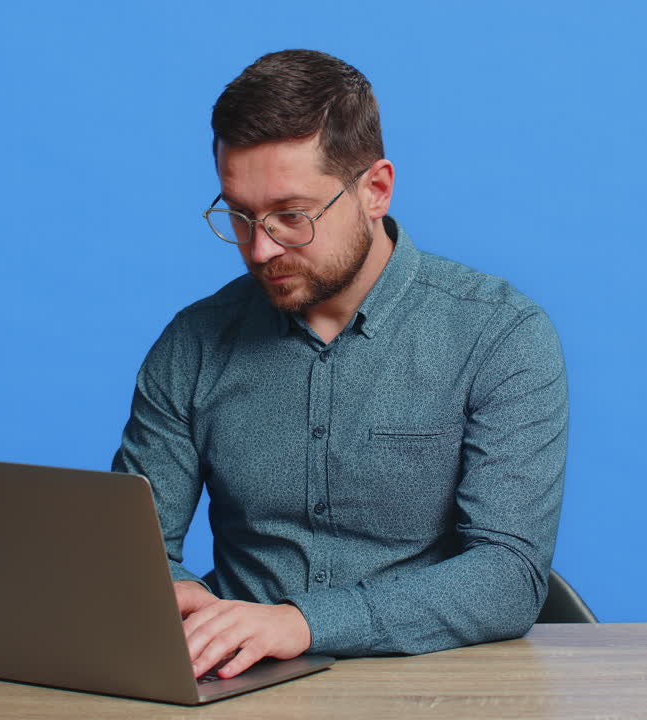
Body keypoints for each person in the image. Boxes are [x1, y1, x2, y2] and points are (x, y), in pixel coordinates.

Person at [112, 49, 568, 680]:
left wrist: (300, 622)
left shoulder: (501, 334)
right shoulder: (193, 343)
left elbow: (508, 576)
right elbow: (138, 551)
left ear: (375, 190)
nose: (260, 247)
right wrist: (172, 589)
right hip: (238, 684)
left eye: (291, 216)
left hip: (433, 686)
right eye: (239, 215)